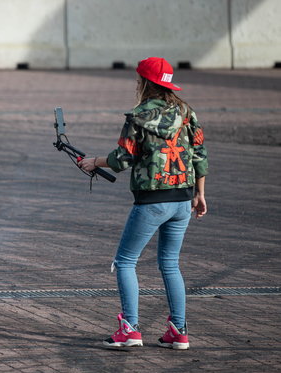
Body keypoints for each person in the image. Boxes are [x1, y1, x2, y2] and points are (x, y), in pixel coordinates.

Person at [78, 57, 208, 350]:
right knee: (171, 264)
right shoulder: (187, 112)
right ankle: (179, 331)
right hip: (183, 200)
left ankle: (130, 329)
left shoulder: (138, 116)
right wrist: (200, 194)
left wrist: (94, 162)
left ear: (144, 83)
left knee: (125, 261)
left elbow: (122, 158)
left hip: (152, 201)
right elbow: (200, 155)